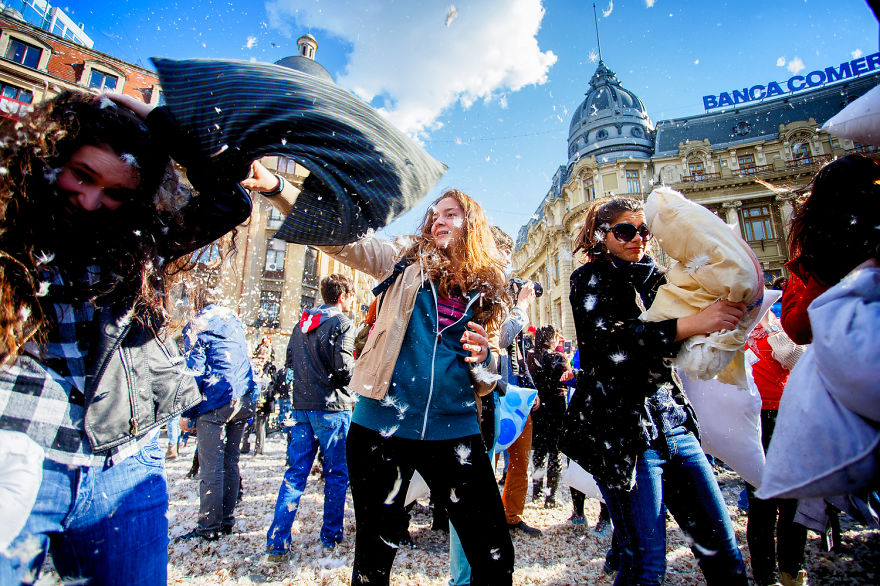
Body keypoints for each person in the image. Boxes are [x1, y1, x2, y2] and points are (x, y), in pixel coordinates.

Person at [0, 91, 250, 584]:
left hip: (124, 460)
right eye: (83, 176)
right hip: (19, 445)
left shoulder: (143, 236)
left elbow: (229, 201)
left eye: (115, 192)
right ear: (53, 159)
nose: (92, 201)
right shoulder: (12, 222)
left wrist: (164, 127)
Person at [246, 165, 513, 585]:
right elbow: (344, 241)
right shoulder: (404, 259)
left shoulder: (487, 287)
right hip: (381, 426)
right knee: (373, 561)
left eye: (451, 214)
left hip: (454, 429)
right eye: (435, 214)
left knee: (495, 555)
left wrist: (484, 358)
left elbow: (491, 366)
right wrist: (278, 188)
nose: (438, 220)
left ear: (472, 225)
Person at [565, 196, 748, 585]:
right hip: (623, 431)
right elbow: (609, 347)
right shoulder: (589, 277)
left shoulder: (655, 275)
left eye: (644, 231)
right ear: (602, 236)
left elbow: (691, 310)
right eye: (625, 231)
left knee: (724, 553)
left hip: (673, 421)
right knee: (645, 567)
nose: (638, 239)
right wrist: (696, 322)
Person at [448, 225, 537, 585]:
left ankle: (471, 572)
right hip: (470, 407)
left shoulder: (490, 289)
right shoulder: (475, 286)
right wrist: (520, 309)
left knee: (477, 496)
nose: (507, 263)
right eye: (503, 254)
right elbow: (490, 338)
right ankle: (463, 578)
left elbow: (499, 353)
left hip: (488, 402)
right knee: (470, 497)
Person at [265, 273, 356, 557]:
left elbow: (290, 362)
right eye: (350, 297)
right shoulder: (342, 323)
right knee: (336, 475)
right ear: (343, 296)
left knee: (295, 475)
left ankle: (277, 542)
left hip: (302, 409)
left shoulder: (300, 325)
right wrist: (358, 369)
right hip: (332, 410)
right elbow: (343, 369)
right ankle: (330, 537)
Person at [177, 287, 256, 541]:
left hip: (216, 398)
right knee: (230, 462)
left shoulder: (197, 323)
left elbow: (195, 371)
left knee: (211, 466)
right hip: (242, 396)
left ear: (196, 305)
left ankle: (209, 527)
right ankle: (226, 519)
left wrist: (188, 413)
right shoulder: (232, 320)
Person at [745, 310, 808, 586]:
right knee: (761, 503)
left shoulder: (775, 321)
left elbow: (798, 359)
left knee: (793, 498)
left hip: (786, 414)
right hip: (752, 418)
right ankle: (765, 575)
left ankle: (792, 569)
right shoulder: (731, 323)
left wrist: (772, 329)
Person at [528, 324, 573, 509]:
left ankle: (537, 492)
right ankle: (551, 497)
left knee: (538, 452)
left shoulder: (531, 357)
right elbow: (569, 379)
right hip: (556, 408)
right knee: (555, 453)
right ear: (551, 338)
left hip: (538, 408)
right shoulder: (560, 357)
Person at [242, 335, 277, 456]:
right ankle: (244, 446)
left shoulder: (270, 367)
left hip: (264, 400)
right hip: (251, 398)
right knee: (246, 424)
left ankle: (259, 448)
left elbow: (273, 383)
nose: (262, 359)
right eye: (260, 357)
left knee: (260, 426)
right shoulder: (253, 365)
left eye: (264, 357)